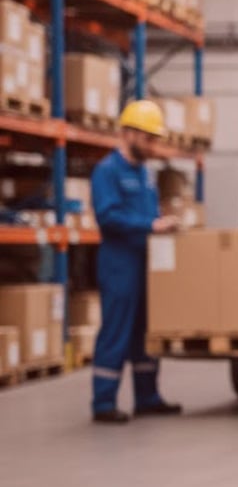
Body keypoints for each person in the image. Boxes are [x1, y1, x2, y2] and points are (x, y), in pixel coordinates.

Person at [91, 100, 183, 424]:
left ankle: (148, 396)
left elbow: (150, 215)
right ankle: (103, 402)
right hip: (119, 262)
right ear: (128, 133)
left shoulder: (144, 174)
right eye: (148, 138)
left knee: (146, 332)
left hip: (145, 261)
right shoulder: (107, 171)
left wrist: (163, 224)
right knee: (116, 329)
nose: (153, 145)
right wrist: (150, 226)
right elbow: (107, 216)